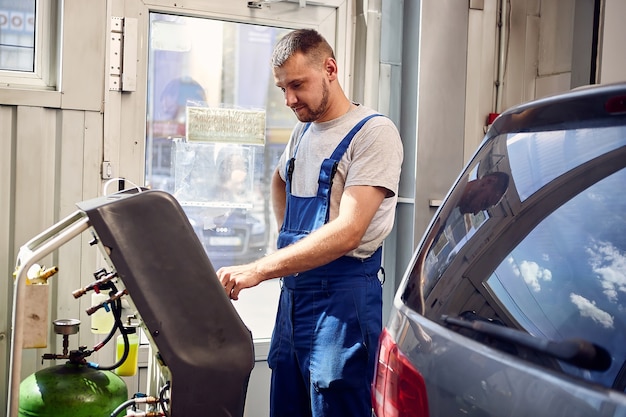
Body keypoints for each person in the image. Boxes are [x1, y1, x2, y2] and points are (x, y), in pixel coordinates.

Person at [216, 29, 403, 417]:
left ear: (330, 69)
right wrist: (292, 247)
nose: (289, 99)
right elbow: (279, 179)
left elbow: (350, 231)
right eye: (283, 88)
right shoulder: (302, 132)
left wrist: (260, 269)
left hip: (342, 306)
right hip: (293, 301)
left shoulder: (373, 134)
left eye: (297, 84)